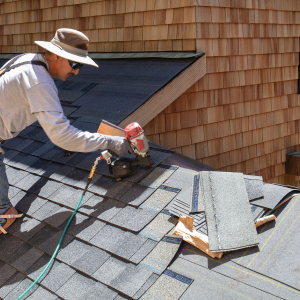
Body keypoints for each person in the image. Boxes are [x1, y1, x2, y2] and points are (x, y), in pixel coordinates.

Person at [0, 28, 132, 234]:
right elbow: (62, 136)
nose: (77, 71)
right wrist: (110, 142)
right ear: (55, 55)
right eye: (75, 63)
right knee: (4, 214)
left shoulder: (29, 61)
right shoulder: (39, 81)